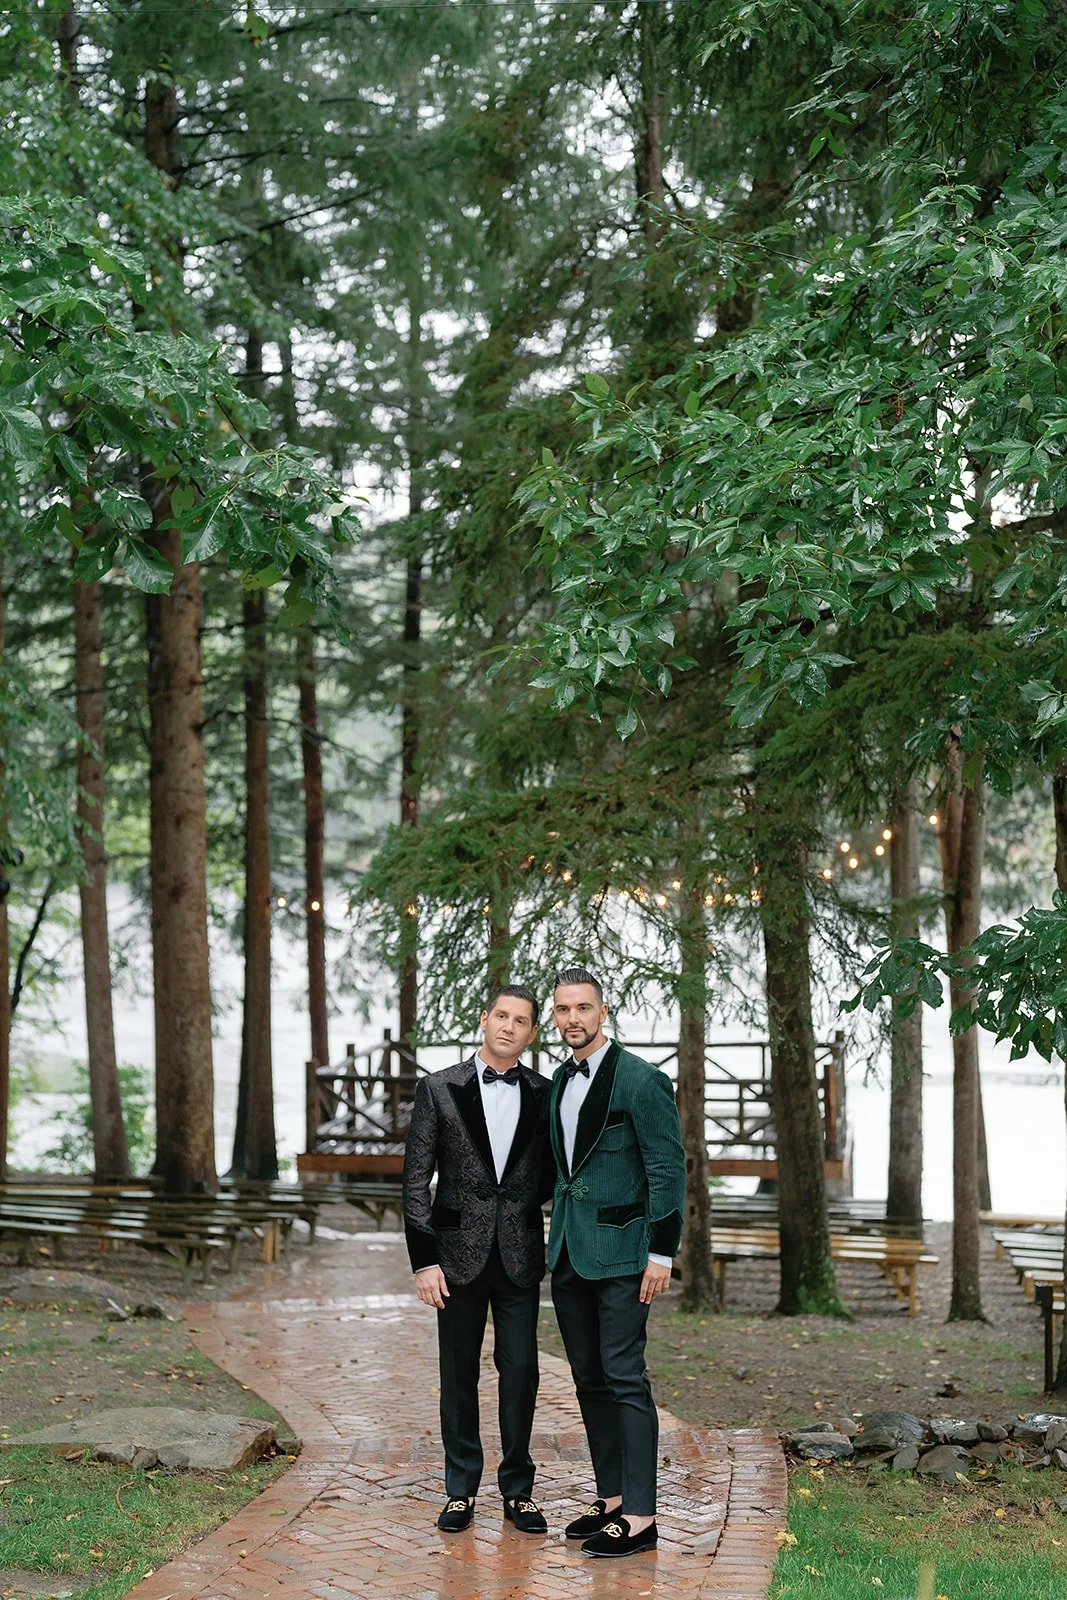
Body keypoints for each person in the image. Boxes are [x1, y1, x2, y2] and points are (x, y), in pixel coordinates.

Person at [402, 983, 553, 1535]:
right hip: (454, 1258)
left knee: (522, 1372)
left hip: (520, 1255)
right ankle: (461, 1488)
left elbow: (554, 1174)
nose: (509, 1027)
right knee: (458, 1374)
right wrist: (424, 1262)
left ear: (531, 1033)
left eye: (521, 1021)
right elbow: (415, 1182)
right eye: (501, 1016)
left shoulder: (545, 1092)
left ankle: (518, 1489)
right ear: (484, 1020)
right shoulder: (438, 1088)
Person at [547, 967, 686, 1558]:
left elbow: (667, 1170)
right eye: (563, 1009)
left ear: (603, 1012)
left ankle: (641, 1516)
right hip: (569, 1253)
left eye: (583, 1007)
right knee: (588, 1378)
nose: (572, 1019)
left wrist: (662, 1252)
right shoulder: (559, 1079)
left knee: (625, 1377)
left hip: (627, 1255)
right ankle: (610, 1500)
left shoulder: (641, 1080)